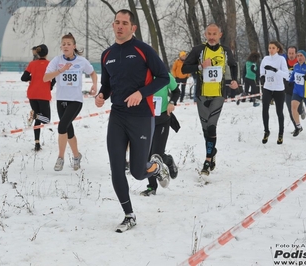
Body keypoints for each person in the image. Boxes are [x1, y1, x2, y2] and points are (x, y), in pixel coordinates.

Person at [95, 9, 170, 233]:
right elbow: (107, 85)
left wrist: (142, 93)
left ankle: (156, 166)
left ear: (133, 27)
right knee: (116, 168)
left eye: (124, 23)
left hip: (141, 116)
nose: (120, 26)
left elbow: (163, 77)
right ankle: (129, 215)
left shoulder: (143, 50)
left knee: (138, 172)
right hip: (117, 115)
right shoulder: (107, 54)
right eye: (117, 22)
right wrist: (101, 95)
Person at [181, 23, 239, 175]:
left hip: (219, 94)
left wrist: (234, 80)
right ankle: (212, 152)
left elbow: (233, 66)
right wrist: (200, 66)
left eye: (215, 34)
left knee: (212, 126)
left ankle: (207, 161)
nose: (212, 37)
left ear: (220, 35)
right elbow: (184, 69)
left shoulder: (225, 51)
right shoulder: (198, 50)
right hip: (202, 95)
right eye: (209, 34)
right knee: (206, 130)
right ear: (205, 35)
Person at [44, 33, 97, 171]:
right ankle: (76, 155)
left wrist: (94, 85)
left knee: (62, 126)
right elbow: (45, 78)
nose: (66, 46)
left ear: (74, 46)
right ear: (61, 46)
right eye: (63, 44)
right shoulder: (56, 61)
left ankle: (60, 158)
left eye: (69, 44)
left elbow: (92, 72)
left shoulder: (81, 61)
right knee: (68, 129)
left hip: (75, 100)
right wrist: (60, 70)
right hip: (61, 99)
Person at [140, 73, 180, 196]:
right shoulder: (140, 75)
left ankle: (168, 161)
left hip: (162, 119)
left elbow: (176, 91)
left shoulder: (164, 75)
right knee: (146, 156)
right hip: (145, 120)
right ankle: (152, 187)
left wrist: (172, 102)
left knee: (157, 155)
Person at [21, 44, 55, 151]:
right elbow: (54, 78)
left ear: (37, 53)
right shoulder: (50, 64)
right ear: (47, 53)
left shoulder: (32, 64)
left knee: (38, 119)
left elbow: (24, 78)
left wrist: (33, 76)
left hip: (32, 94)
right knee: (46, 120)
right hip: (43, 94)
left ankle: (37, 143)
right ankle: (34, 115)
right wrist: (50, 86)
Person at [259, 41, 289, 145]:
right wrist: (262, 77)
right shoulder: (265, 59)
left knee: (279, 112)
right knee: (265, 109)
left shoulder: (281, 59)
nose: (271, 50)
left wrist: (275, 70)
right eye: (269, 48)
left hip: (279, 89)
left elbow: (286, 75)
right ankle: (266, 131)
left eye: (273, 48)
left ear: (277, 49)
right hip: (268, 87)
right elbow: (262, 69)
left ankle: (281, 133)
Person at [283, 46, 306, 133]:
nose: (291, 55)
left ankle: (302, 109)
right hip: (288, 89)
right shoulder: (284, 62)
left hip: (298, 89)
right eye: (289, 53)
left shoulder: (299, 62)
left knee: (298, 110)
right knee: (291, 110)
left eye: (293, 53)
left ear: (296, 54)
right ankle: (297, 127)